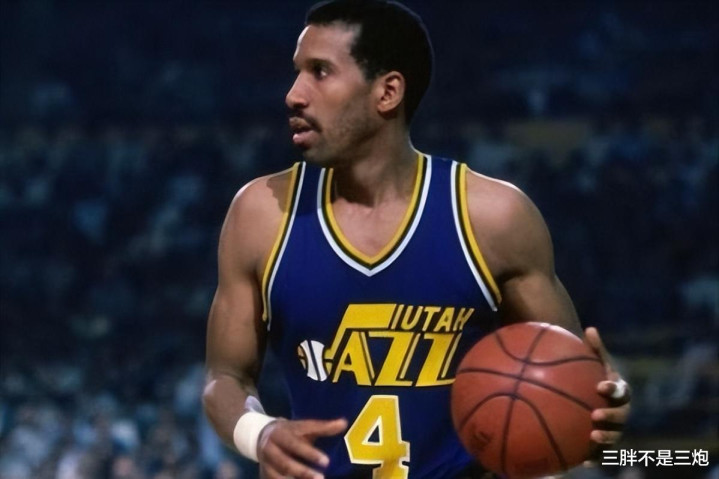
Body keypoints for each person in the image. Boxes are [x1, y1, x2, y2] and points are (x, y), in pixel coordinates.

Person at [202, 1, 631, 478]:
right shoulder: (261, 214)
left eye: (320, 72)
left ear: (387, 92)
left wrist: (598, 404)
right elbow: (225, 377)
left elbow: (574, 383)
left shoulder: (493, 219)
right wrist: (259, 433)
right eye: (297, 71)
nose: (294, 95)